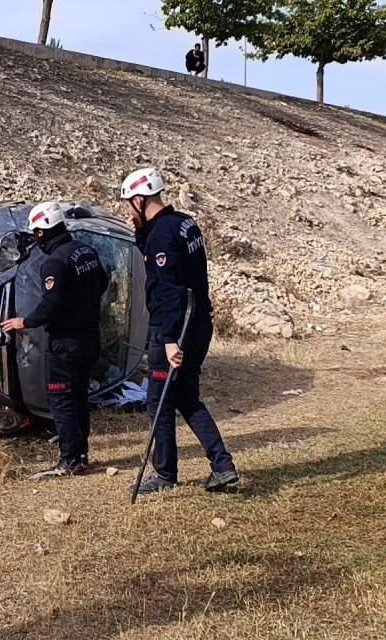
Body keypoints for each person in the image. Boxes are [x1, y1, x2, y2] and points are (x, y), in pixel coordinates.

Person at [121, 168, 239, 495]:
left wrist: (170, 340)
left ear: (140, 200)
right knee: (186, 397)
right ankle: (222, 465)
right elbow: (164, 262)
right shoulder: (183, 223)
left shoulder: (161, 235)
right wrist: (141, 232)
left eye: (130, 205)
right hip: (199, 323)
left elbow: (171, 289)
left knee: (158, 401)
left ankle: (165, 475)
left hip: (174, 330)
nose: (130, 211)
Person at [0, 202, 109, 477]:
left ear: (41, 232)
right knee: (79, 398)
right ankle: (80, 454)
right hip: (89, 340)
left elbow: (50, 304)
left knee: (61, 400)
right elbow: (103, 284)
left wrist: (24, 322)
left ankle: (70, 460)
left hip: (65, 345)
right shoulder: (87, 252)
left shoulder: (54, 262)